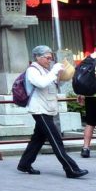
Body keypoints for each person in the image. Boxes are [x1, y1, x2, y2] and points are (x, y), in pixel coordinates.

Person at [17, 45, 88, 178]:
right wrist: (54, 70)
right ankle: (71, 169)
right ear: (37, 57)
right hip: (39, 109)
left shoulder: (45, 70)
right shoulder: (32, 70)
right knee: (56, 140)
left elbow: (52, 85)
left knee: (38, 139)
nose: (50, 60)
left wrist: (61, 77)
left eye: (51, 58)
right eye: (47, 58)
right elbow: (41, 83)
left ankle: (24, 164)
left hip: (47, 108)